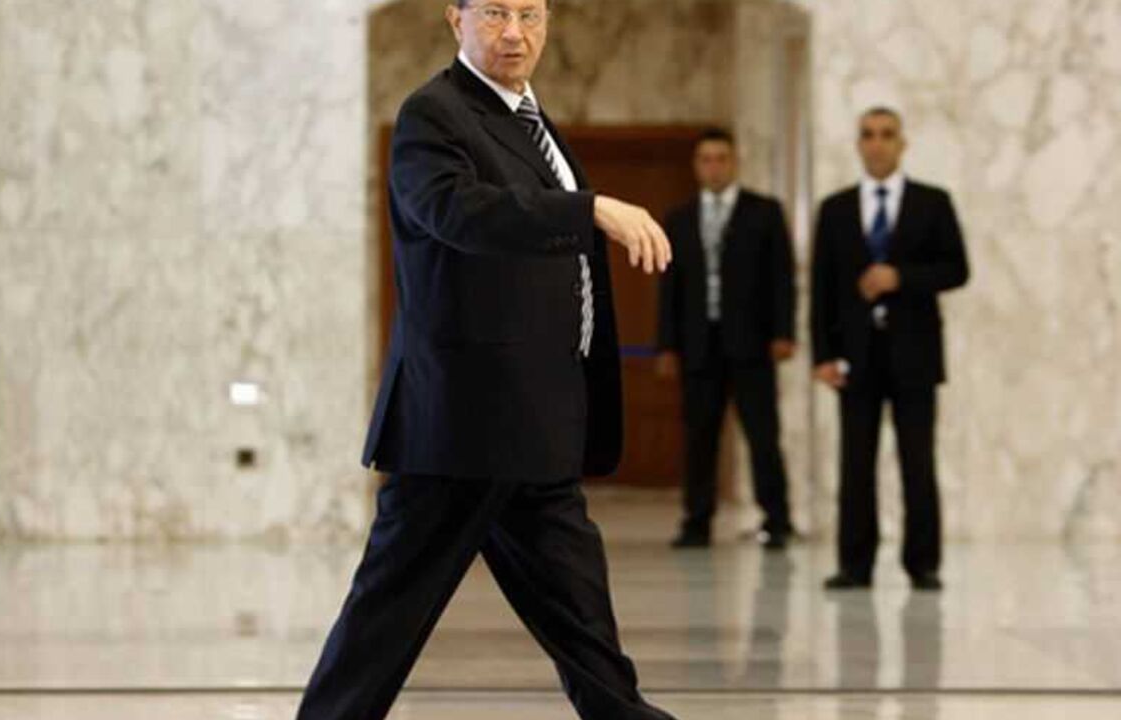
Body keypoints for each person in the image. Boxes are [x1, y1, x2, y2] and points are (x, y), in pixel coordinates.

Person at [295, 1, 677, 718]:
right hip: (463, 424)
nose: (513, 32)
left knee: (578, 610)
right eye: (495, 13)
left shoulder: (528, 119)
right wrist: (589, 209)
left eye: (529, 14)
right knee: (389, 613)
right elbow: (460, 213)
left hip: (533, 421)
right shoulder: (433, 114)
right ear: (456, 20)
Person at [810, 107, 969, 592]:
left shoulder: (932, 203)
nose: (877, 144)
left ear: (902, 143)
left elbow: (956, 269)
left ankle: (923, 565)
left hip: (915, 356)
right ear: (858, 144)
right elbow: (822, 289)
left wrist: (901, 277)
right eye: (867, 135)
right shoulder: (835, 209)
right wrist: (823, 355)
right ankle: (854, 566)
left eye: (886, 135)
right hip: (855, 358)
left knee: (917, 463)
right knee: (856, 465)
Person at [656, 128, 797, 550]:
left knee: (762, 435)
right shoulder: (679, 219)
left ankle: (777, 520)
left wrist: (783, 332)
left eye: (721, 158)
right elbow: (670, 287)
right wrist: (667, 344)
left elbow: (782, 278)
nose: (714, 166)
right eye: (706, 159)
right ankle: (696, 522)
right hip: (700, 345)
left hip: (752, 344)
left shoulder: (765, 212)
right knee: (700, 436)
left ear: (734, 162)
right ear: (696, 166)